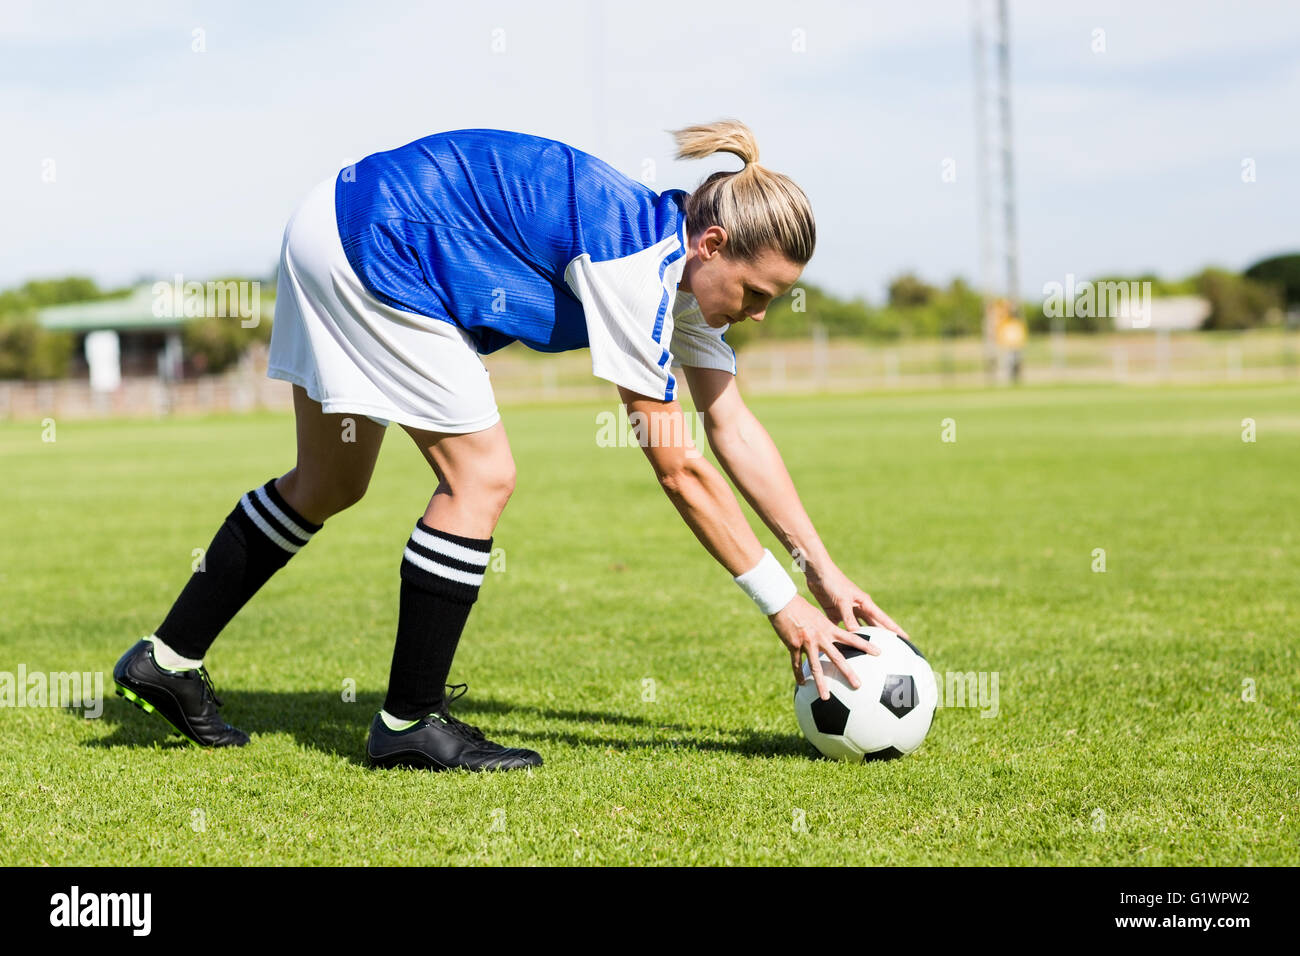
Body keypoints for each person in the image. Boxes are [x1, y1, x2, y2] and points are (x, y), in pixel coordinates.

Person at [113, 119, 909, 772]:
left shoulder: (684, 283)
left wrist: (823, 575)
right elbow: (680, 465)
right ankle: (409, 724)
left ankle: (167, 661)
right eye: (758, 292)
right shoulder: (640, 263)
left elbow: (731, 427)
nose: (761, 312)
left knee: (327, 481)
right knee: (482, 477)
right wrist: (785, 611)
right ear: (711, 244)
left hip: (334, 221)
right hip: (379, 238)